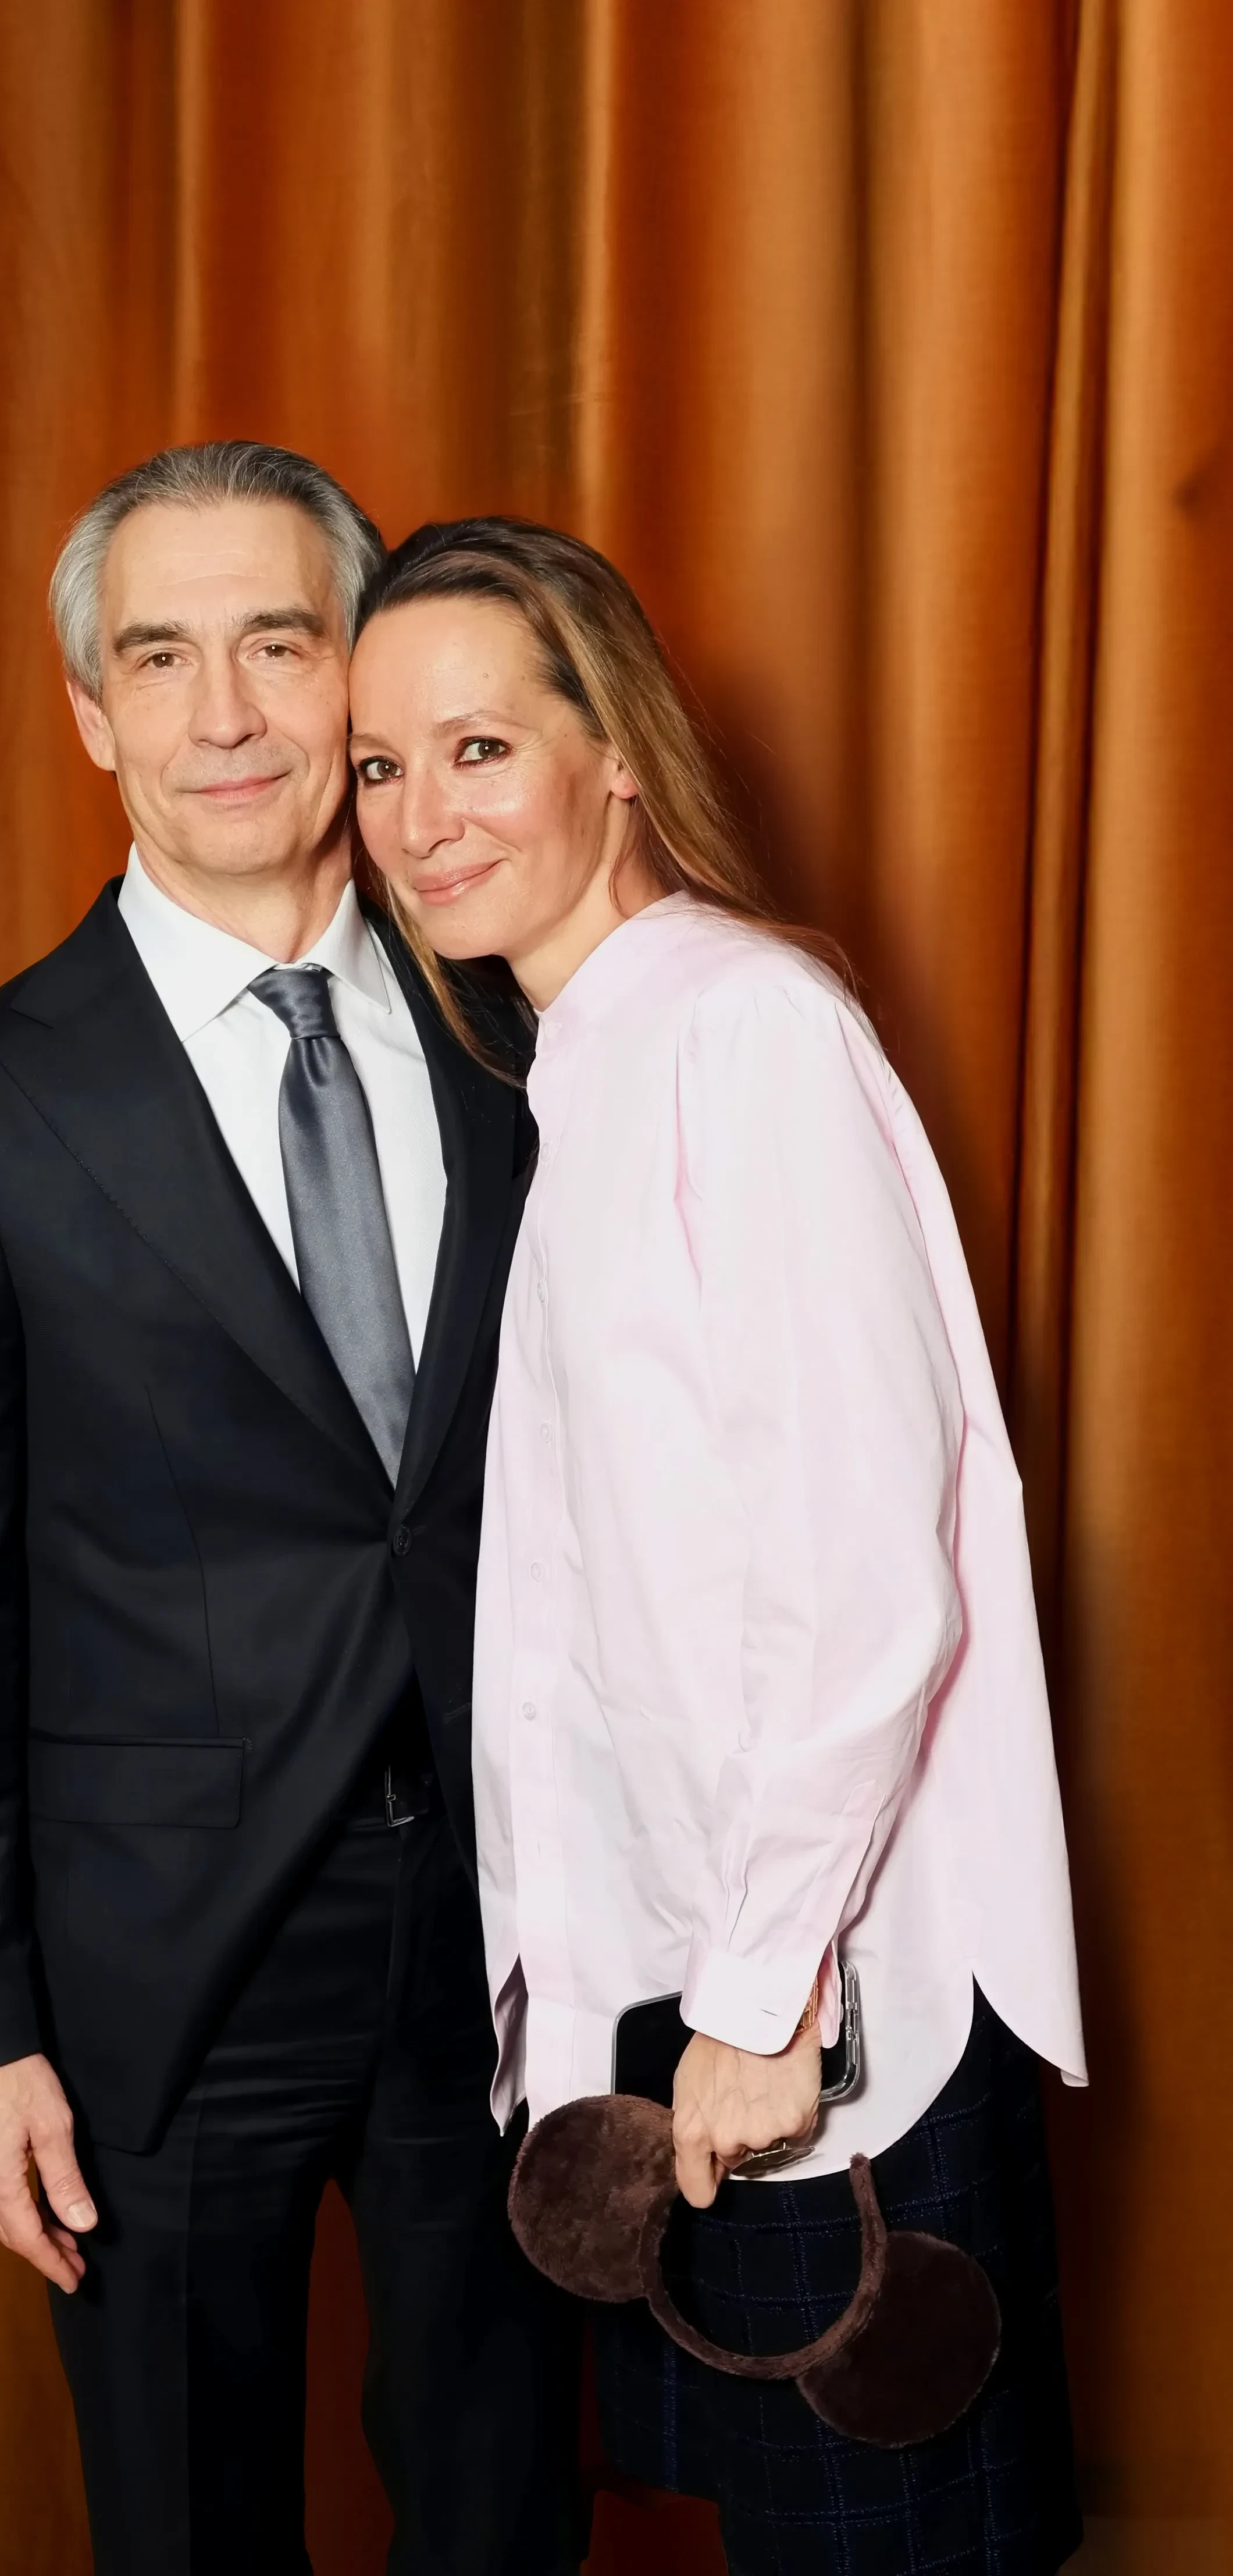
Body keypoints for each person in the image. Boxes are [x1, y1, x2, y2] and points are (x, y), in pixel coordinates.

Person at [0, 448, 582, 2576]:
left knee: (508, 2510)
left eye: (278, 641)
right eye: (160, 658)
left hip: (517, 1935)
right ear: (93, 712)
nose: (228, 713)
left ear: (359, 672)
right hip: (154, 1974)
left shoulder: (521, 1030)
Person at [348, 515, 1087, 2575]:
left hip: (820, 1998)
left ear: (615, 751)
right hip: (722, 1990)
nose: (420, 817)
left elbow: (867, 1572)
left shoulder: (740, 1029)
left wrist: (760, 1992)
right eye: (383, 766)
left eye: (479, 748)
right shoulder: (587, 1055)